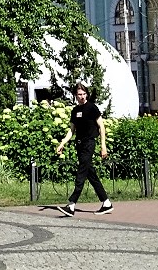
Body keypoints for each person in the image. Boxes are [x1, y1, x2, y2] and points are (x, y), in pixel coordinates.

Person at [54, 82, 112, 217]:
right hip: (79, 145)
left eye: (84, 94)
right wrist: (62, 143)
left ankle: (72, 204)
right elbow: (71, 130)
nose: (82, 97)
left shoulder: (92, 108)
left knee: (81, 173)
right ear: (75, 95)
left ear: (87, 94)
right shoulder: (75, 111)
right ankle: (106, 203)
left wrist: (103, 145)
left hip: (89, 144)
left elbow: (101, 127)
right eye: (79, 94)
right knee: (90, 174)